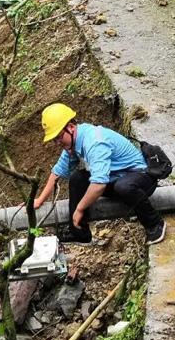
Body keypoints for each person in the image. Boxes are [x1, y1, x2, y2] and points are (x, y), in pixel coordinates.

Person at [33, 103, 167, 245]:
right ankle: (80, 233)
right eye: (55, 140)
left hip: (141, 178)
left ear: (71, 127)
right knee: (78, 179)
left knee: (124, 186)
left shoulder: (94, 141)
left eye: (59, 137)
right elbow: (57, 172)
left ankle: (155, 224)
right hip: (117, 178)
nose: (58, 142)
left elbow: (98, 185)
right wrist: (39, 200)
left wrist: (80, 209)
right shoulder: (73, 143)